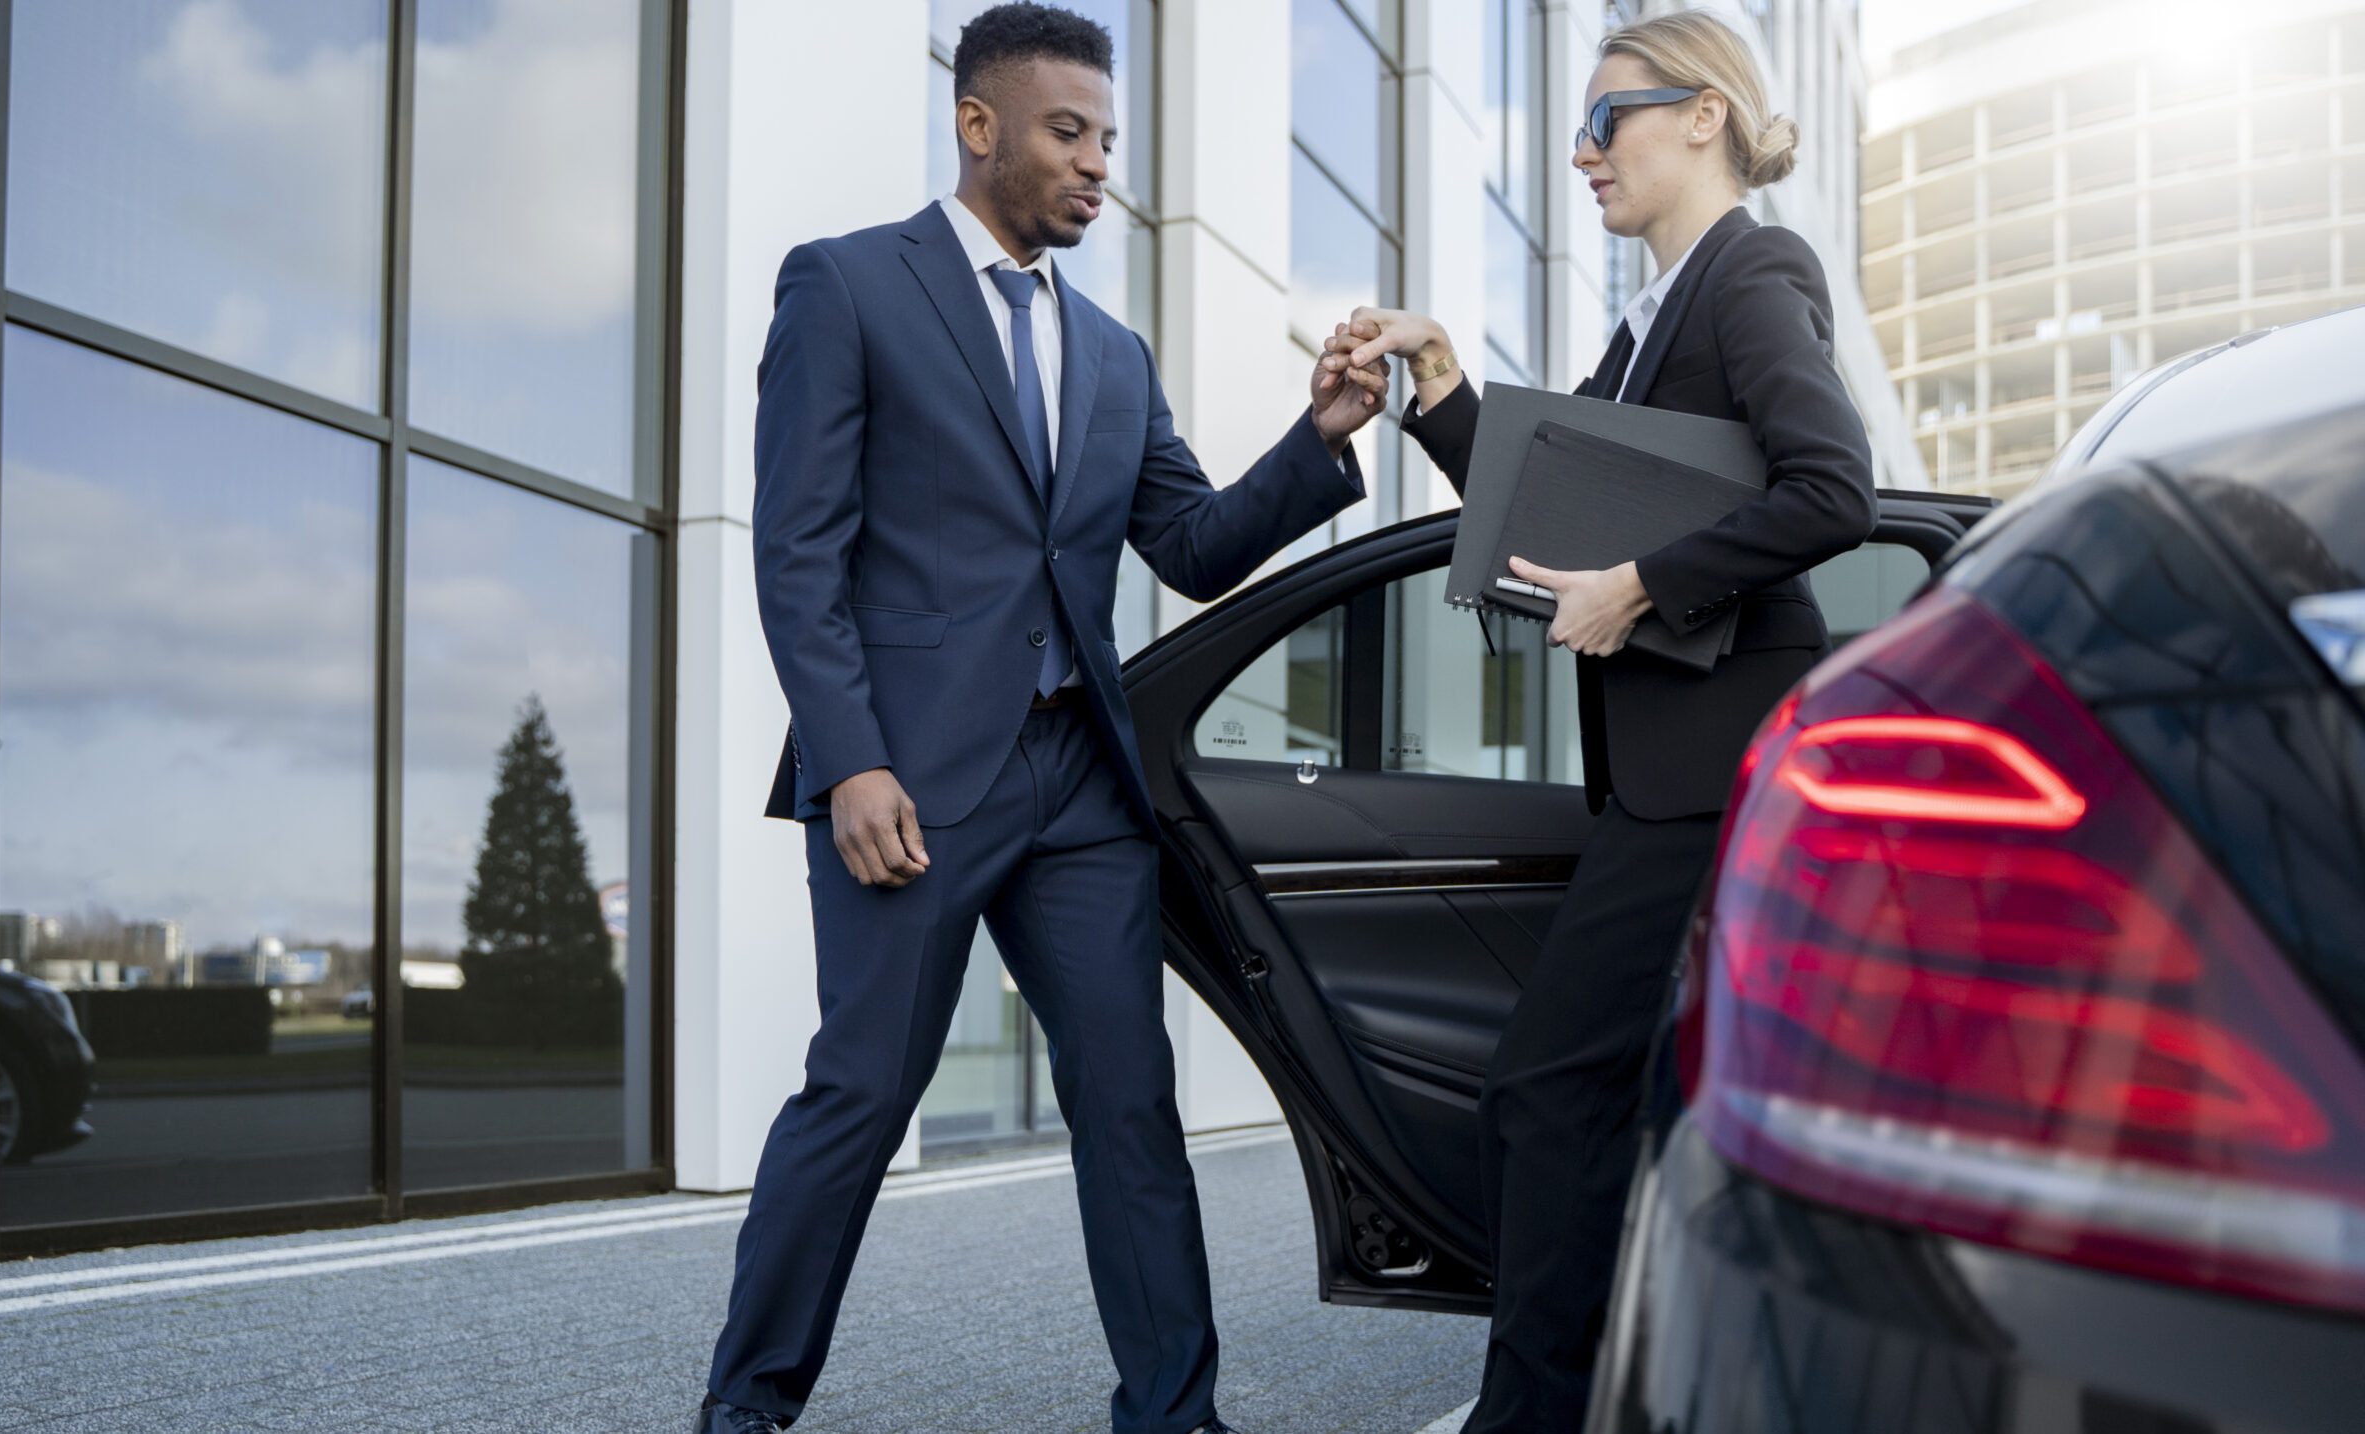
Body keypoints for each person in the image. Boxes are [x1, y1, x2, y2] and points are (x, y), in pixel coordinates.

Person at [694, 5, 1388, 1432]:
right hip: (911, 778)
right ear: (979, 125)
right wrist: (851, 760)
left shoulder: (1116, 355)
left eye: (1110, 142)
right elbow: (797, 553)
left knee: (1131, 1104)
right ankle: (745, 1408)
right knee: (862, 1098)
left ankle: (1174, 1414)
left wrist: (1316, 437)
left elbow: (1190, 543)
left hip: (1080, 782)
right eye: (1070, 134)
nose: (1097, 167)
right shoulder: (847, 286)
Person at [1325, 12, 1876, 1433]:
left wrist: (1642, 585)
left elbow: (1834, 488)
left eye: (1607, 121)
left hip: (1716, 771)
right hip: (1660, 779)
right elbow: (1548, 516)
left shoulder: (1754, 269)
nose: (1582, 152)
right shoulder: (1647, 317)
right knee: (1626, 1105)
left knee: (1545, 1089)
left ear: (1704, 119)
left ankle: (1534, 1416)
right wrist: (1444, 392)